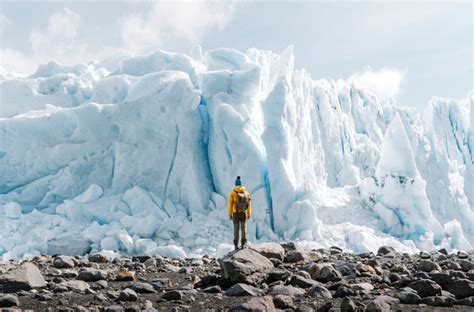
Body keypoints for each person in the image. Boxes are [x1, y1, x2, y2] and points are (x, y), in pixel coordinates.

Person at [228, 176, 251, 250]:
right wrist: (249, 213)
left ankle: (236, 245)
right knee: (244, 228)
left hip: (235, 214)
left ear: (235, 184)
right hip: (243, 213)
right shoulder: (246, 193)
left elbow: (230, 204)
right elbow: (249, 204)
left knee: (236, 229)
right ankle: (243, 244)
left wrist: (230, 213)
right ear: (241, 184)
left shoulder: (233, 193)